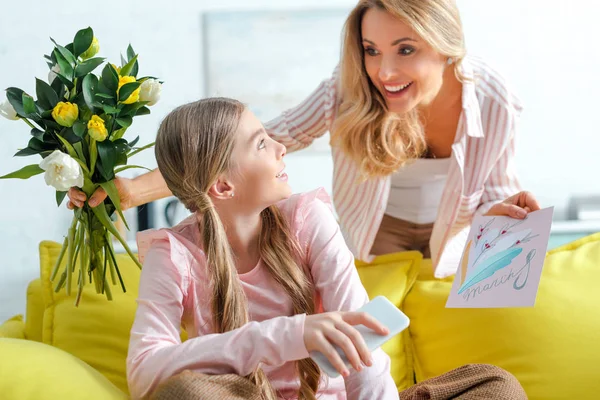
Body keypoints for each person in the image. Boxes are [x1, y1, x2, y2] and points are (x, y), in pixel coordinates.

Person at [68, 0, 541, 279]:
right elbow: (247, 146)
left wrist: (503, 213)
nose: (384, 72)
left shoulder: (496, 100)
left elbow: (494, 188)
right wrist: (130, 192)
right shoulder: (352, 86)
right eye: (371, 50)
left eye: (406, 49)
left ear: (447, 46)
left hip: (452, 240)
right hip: (374, 241)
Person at [127, 97, 527, 400]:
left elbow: (363, 345)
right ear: (223, 186)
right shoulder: (173, 254)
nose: (281, 148)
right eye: (261, 144)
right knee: (187, 394)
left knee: (495, 386)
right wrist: (290, 335)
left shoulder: (307, 219)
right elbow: (144, 371)